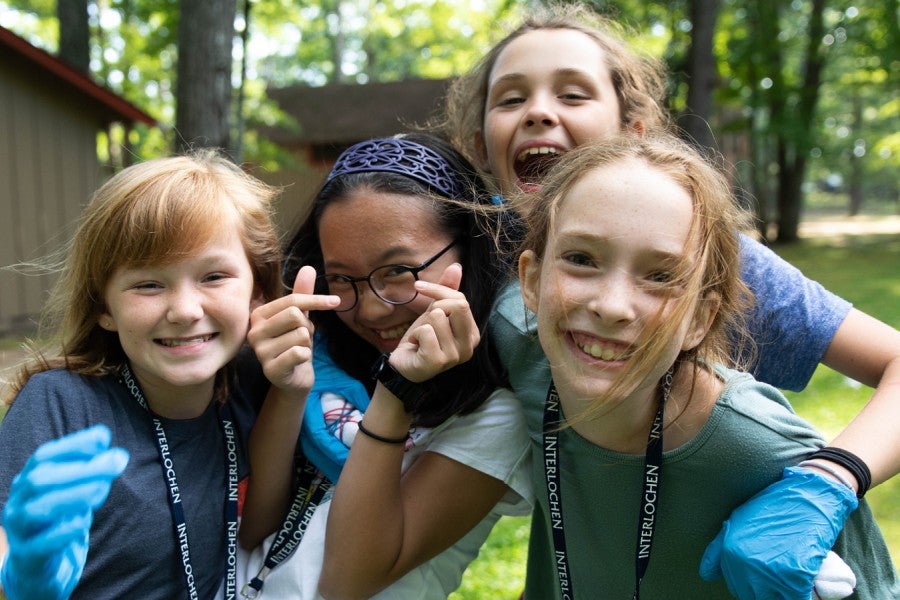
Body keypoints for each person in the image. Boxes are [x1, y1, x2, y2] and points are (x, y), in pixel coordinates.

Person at [437, 4, 900, 597]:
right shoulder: (482, 262)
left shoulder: (700, 248)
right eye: (510, 99)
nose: (539, 112)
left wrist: (828, 479)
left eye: (574, 94)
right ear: (480, 144)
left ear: (633, 130)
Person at [508, 131, 898, 598]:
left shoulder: (764, 453)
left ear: (701, 318)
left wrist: (832, 477)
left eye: (661, 276)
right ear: (530, 279)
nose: (612, 305)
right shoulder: (517, 346)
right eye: (580, 259)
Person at [0, 150, 336, 599]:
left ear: (257, 289)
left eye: (214, 276)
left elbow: (253, 529)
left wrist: (289, 394)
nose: (184, 311)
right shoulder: (60, 402)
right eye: (148, 284)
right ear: (104, 308)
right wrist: (22, 578)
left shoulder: (245, 382)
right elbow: (7, 548)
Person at [237, 133, 532, 599]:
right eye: (342, 277)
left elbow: (346, 582)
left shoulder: (493, 415)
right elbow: (252, 530)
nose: (372, 311)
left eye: (398, 271)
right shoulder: (326, 354)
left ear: (467, 247)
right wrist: (289, 392)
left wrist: (398, 392)